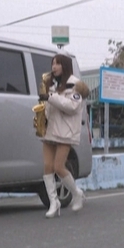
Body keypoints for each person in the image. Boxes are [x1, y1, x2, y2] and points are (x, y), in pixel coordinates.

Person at [39, 53, 90, 218]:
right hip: (50, 130)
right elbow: (50, 106)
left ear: (65, 66)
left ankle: (77, 193)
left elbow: (72, 107)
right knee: (47, 167)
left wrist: (50, 97)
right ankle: (54, 202)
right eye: (53, 64)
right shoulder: (53, 86)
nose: (54, 67)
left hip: (65, 132)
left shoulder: (76, 85)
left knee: (58, 167)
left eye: (58, 64)